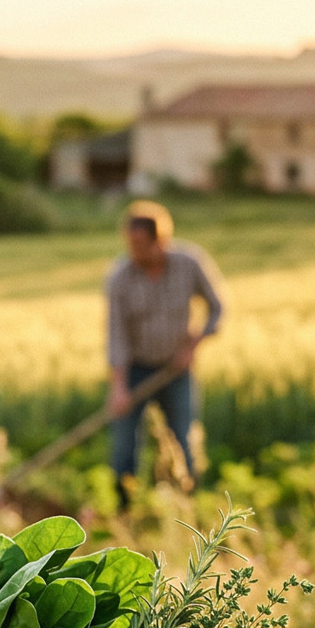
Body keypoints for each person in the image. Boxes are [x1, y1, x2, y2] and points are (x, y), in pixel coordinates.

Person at [105, 200, 225, 503]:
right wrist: (119, 387)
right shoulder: (120, 278)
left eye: (141, 244)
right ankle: (124, 507)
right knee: (124, 445)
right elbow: (116, 336)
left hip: (176, 369)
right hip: (135, 370)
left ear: (161, 241)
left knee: (182, 437)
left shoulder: (189, 264)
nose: (134, 251)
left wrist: (192, 345)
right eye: (130, 244)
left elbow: (217, 307)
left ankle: (187, 503)